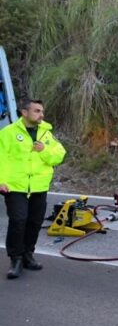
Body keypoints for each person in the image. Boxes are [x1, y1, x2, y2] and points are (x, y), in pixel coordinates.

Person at [0, 99, 66, 279]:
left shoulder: (46, 133)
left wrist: (44, 150)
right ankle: (16, 259)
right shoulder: (8, 133)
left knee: (35, 222)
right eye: (37, 111)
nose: (41, 115)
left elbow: (59, 155)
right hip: (15, 186)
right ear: (24, 112)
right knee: (18, 221)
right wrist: (1, 181)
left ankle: (28, 255)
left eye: (42, 111)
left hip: (39, 186)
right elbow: (1, 159)